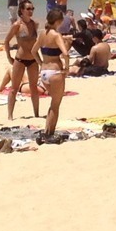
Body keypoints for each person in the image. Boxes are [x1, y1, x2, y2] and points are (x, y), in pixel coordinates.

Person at [4, 0, 40, 121]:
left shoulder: (35, 24)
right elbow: (6, 40)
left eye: (32, 9)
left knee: (34, 88)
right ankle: (10, 115)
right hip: (19, 59)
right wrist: (9, 56)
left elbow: (36, 42)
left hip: (33, 60)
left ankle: (36, 114)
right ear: (22, 10)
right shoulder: (17, 25)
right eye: (28, 9)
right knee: (14, 88)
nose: (31, 11)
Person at [36, 9, 70, 137]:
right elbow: (65, 54)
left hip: (44, 72)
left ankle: (47, 131)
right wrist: (66, 68)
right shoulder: (56, 35)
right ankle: (49, 134)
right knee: (55, 105)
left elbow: (34, 51)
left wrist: (40, 63)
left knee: (52, 104)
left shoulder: (42, 34)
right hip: (55, 72)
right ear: (58, 21)